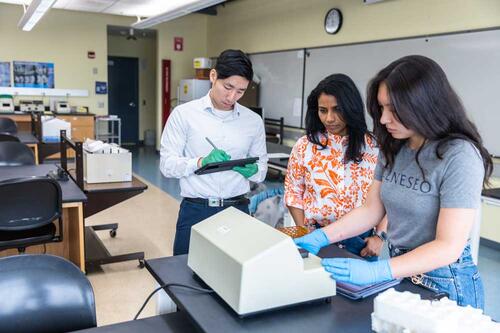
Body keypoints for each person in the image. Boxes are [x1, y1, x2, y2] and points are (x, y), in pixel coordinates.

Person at [294, 55, 492, 309]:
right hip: (401, 270)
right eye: (381, 108)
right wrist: (322, 236)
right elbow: (371, 210)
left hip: (446, 281)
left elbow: (448, 246)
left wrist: (379, 271)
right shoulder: (395, 146)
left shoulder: (459, 155)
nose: (385, 119)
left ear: (425, 104)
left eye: (394, 110)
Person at [159, 49, 268, 255]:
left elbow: (261, 170)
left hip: (237, 210)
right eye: (228, 87)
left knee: (234, 279)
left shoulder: (253, 121)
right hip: (196, 210)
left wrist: (251, 170)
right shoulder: (184, 114)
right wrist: (200, 162)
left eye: (240, 91)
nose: (232, 96)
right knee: (184, 276)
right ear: (213, 76)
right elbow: (166, 166)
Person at [285, 74, 385, 259]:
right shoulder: (305, 146)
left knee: (358, 288)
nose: (329, 118)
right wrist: (304, 231)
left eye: (337, 110)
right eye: (323, 110)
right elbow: (294, 193)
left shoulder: (375, 147)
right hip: (315, 235)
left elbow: (390, 196)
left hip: (362, 242)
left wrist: (380, 236)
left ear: (351, 108)